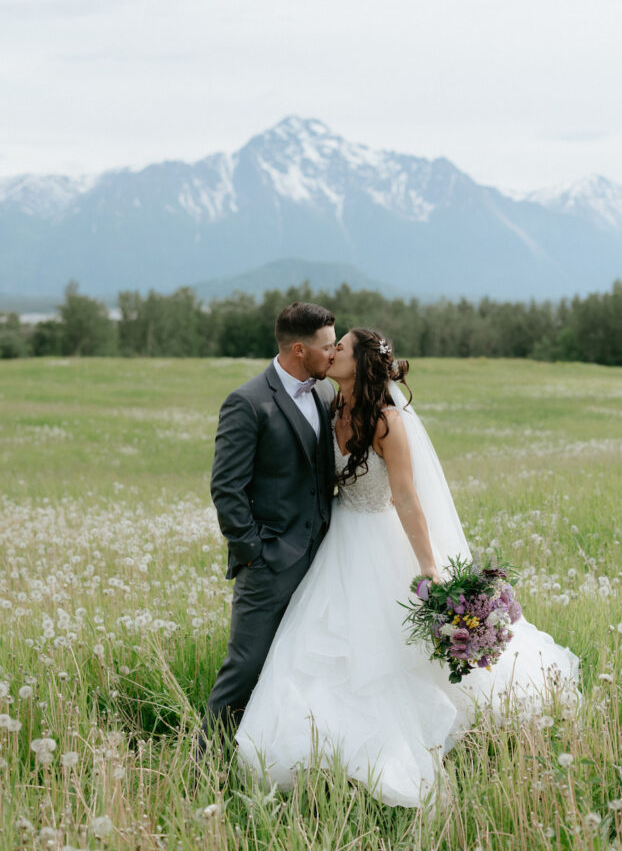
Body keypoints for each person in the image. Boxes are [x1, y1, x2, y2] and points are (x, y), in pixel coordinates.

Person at [235, 328, 580, 807]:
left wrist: (428, 568)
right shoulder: (330, 405)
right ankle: (319, 750)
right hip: (339, 540)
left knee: (388, 656)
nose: (332, 353)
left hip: (380, 540)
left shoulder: (386, 421)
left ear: (361, 363)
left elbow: (406, 497)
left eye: (342, 348)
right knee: (322, 642)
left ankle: (394, 753)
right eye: (331, 347)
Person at [198, 301, 337, 755]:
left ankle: (279, 759)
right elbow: (226, 487)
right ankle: (204, 764)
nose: (333, 354)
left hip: (325, 558)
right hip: (271, 562)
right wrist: (254, 550)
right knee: (247, 665)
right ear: (300, 349)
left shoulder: (323, 394)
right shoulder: (248, 401)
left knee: (305, 664)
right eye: (327, 346)